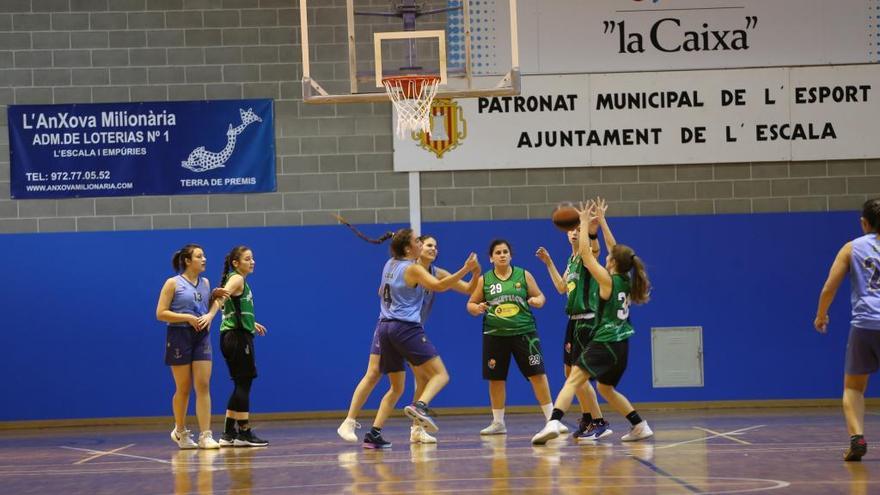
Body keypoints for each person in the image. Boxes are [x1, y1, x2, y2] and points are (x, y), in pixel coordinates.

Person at [338, 232, 479, 445]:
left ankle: (377, 432)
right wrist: (467, 268)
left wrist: (475, 273)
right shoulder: (413, 268)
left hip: (389, 326)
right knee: (439, 375)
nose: (429, 247)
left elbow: (468, 289)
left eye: (434, 246)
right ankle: (417, 408)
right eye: (423, 243)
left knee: (400, 385)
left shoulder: (392, 264)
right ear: (411, 248)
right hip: (404, 328)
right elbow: (439, 287)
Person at [532, 202, 653, 445]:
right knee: (606, 389)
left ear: (613, 263)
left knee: (574, 379)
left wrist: (587, 223)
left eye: (609, 257)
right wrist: (602, 222)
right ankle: (639, 425)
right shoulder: (626, 280)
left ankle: (554, 421)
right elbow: (616, 249)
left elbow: (589, 255)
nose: (606, 257)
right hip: (621, 343)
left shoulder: (608, 280)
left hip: (604, 338)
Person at [535, 197, 616, 440]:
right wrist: (549, 263)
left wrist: (591, 228)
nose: (573, 233)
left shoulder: (586, 256)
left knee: (578, 376)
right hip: (573, 320)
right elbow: (561, 287)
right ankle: (588, 418)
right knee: (569, 372)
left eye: (576, 230)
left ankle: (599, 420)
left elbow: (594, 248)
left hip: (587, 319)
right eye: (570, 230)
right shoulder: (571, 262)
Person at [467, 239, 555, 435]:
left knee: (537, 374)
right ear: (491, 258)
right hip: (495, 335)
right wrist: (477, 308)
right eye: (498, 252)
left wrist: (536, 301)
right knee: (496, 378)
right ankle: (498, 422)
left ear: (511, 255)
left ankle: (552, 419)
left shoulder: (523, 275)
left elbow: (541, 296)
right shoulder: (485, 280)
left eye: (505, 251)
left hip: (524, 333)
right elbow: (470, 304)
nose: (502, 255)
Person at [815, 198, 880, 462]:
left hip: (865, 324)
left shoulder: (852, 248)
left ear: (864, 223)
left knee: (853, 387)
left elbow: (829, 287)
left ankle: (857, 438)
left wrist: (821, 315)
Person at [156, 244, 224, 449]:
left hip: (201, 335)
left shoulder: (205, 283)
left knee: (203, 385)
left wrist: (211, 312)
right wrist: (187, 317)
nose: (204, 259)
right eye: (199, 256)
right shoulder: (173, 283)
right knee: (183, 388)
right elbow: (160, 313)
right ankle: (180, 431)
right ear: (187, 260)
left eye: (204, 255)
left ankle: (206, 434)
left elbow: (214, 304)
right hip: (179, 335)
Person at [217, 246, 269, 448]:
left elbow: (232, 307)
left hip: (235, 335)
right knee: (244, 384)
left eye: (253, 258)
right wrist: (211, 312)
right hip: (237, 338)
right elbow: (223, 297)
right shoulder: (237, 278)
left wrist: (251, 322)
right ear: (236, 263)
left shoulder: (239, 280)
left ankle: (228, 433)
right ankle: (244, 432)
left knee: (240, 384)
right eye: (248, 259)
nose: (252, 262)